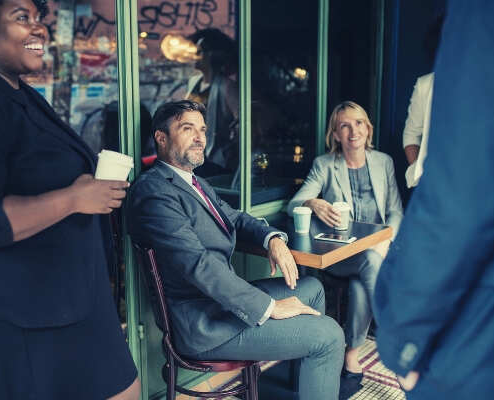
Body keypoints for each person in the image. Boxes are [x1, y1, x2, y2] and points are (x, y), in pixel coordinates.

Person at [0, 1, 139, 399]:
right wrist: (73, 198)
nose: (40, 29)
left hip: (66, 301)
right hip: (11, 320)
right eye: (23, 18)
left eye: (39, 19)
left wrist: (88, 189)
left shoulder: (22, 95)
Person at [127, 100, 345, 400]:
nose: (200, 137)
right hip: (204, 322)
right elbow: (198, 265)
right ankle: (317, 353)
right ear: (161, 138)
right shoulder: (154, 192)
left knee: (312, 287)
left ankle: (312, 381)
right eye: (187, 128)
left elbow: (237, 218)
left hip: (222, 305)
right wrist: (270, 308)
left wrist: (273, 239)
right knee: (330, 336)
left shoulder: (194, 183)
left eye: (202, 129)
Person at [374, 1, 494, 398]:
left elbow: (466, 193)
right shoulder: (425, 84)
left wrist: (404, 342)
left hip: (488, 336)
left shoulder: (489, 14)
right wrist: (422, 169)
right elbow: (412, 134)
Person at [287, 101, 403, 379]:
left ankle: (351, 353)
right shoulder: (324, 165)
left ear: (368, 128)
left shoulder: (383, 162)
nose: (354, 131)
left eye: (359, 123)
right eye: (345, 126)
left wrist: (386, 241)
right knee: (368, 263)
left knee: (362, 281)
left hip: (379, 251)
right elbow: (294, 204)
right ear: (336, 134)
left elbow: (396, 211)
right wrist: (314, 202)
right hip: (341, 256)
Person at [185, 28, 239, 174]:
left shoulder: (227, 86)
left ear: (212, 56)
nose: (195, 55)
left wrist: (229, 147)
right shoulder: (194, 82)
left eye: (200, 51)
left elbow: (241, 123)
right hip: (193, 156)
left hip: (215, 160)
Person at [402, 12, 444, 188]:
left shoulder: (488, 85)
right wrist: (418, 171)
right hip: (433, 183)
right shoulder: (426, 85)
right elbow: (411, 134)